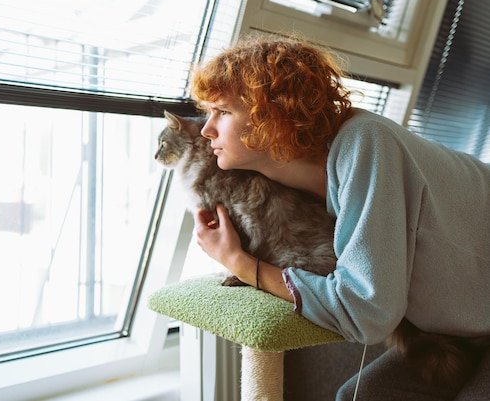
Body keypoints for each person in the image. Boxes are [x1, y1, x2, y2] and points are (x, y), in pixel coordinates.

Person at [189, 34, 490, 401]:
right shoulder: (292, 182)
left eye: (222, 112)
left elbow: (365, 311)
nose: (206, 130)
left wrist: (239, 262)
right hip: (461, 332)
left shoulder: (366, 143)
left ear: (273, 114)